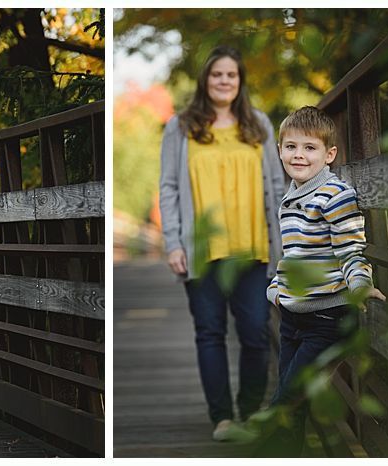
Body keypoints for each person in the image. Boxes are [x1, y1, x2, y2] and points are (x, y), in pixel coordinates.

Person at [158, 45, 286, 441]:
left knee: (255, 331)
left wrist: (285, 242)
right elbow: (169, 188)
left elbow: (277, 187)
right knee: (210, 332)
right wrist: (173, 242)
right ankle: (223, 418)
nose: (225, 81)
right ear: (205, 80)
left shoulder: (260, 125)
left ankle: (250, 412)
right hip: (202, 251)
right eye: (217, 75)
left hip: (253, 249)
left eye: (232, 75)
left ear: (240, 81)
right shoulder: (180, 127)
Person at [263, 106, 385, 455]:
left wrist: (360, 284)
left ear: (329, 154)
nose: (298, 154)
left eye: (310, 147)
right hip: (292, 317)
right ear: (280, 149)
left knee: (282, 404)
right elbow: (294, 253)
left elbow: (351, 250)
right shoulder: (291, 195)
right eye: (291, 146)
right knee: (292, 404)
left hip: (327, 319)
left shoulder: (335, 195)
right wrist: (276, 289)